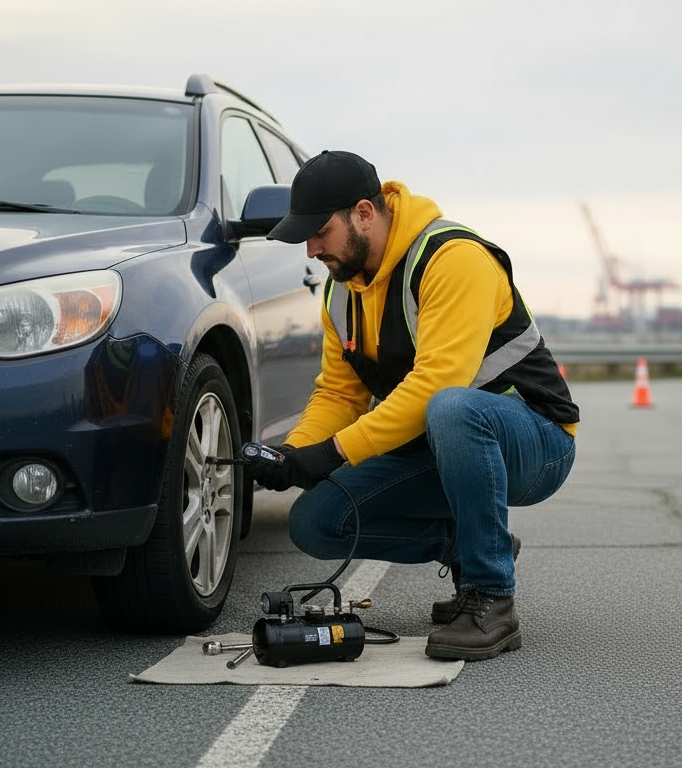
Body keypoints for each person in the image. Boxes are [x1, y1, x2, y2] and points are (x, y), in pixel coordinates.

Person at [247, 150, 579, 661]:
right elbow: (339, 393)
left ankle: (492, 597)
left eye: (320, 232)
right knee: (315, 521)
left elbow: (436, 384)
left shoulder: (452, 258)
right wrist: (294, 454)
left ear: (364, 213)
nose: (311, 250)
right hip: (441, 446)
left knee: (452, 407)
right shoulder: (342, 292)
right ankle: (475, 545)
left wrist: (334, 452)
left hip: (536, 441)